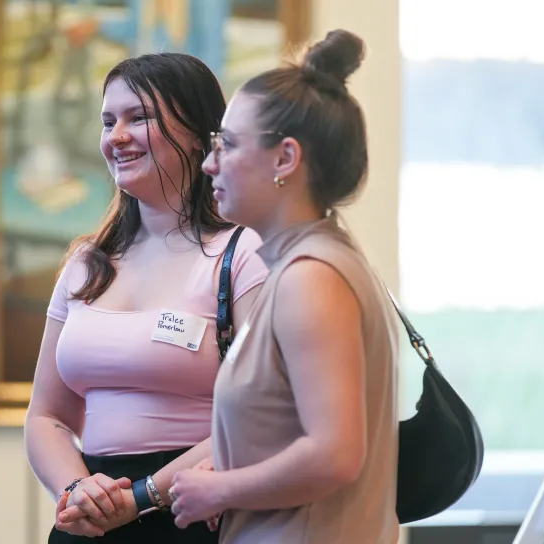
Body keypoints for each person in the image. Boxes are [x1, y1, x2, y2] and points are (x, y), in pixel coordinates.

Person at [24, 52, 269, 543]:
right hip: (91, 516)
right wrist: (75, 488)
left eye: (139, 118)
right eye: (108, 120)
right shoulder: (85, 264)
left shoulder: (244, 253)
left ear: (199, 136)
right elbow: (46, 415)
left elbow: (263, 415)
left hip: (192, 513)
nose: (116, 136)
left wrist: (142, 497)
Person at [168, 30, 401, 543]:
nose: (209, 164)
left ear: (285, 159)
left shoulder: (312, 279)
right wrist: (232, 477)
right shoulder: (301, 266)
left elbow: (334, 455)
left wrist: (224, 489)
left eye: (226, 145)